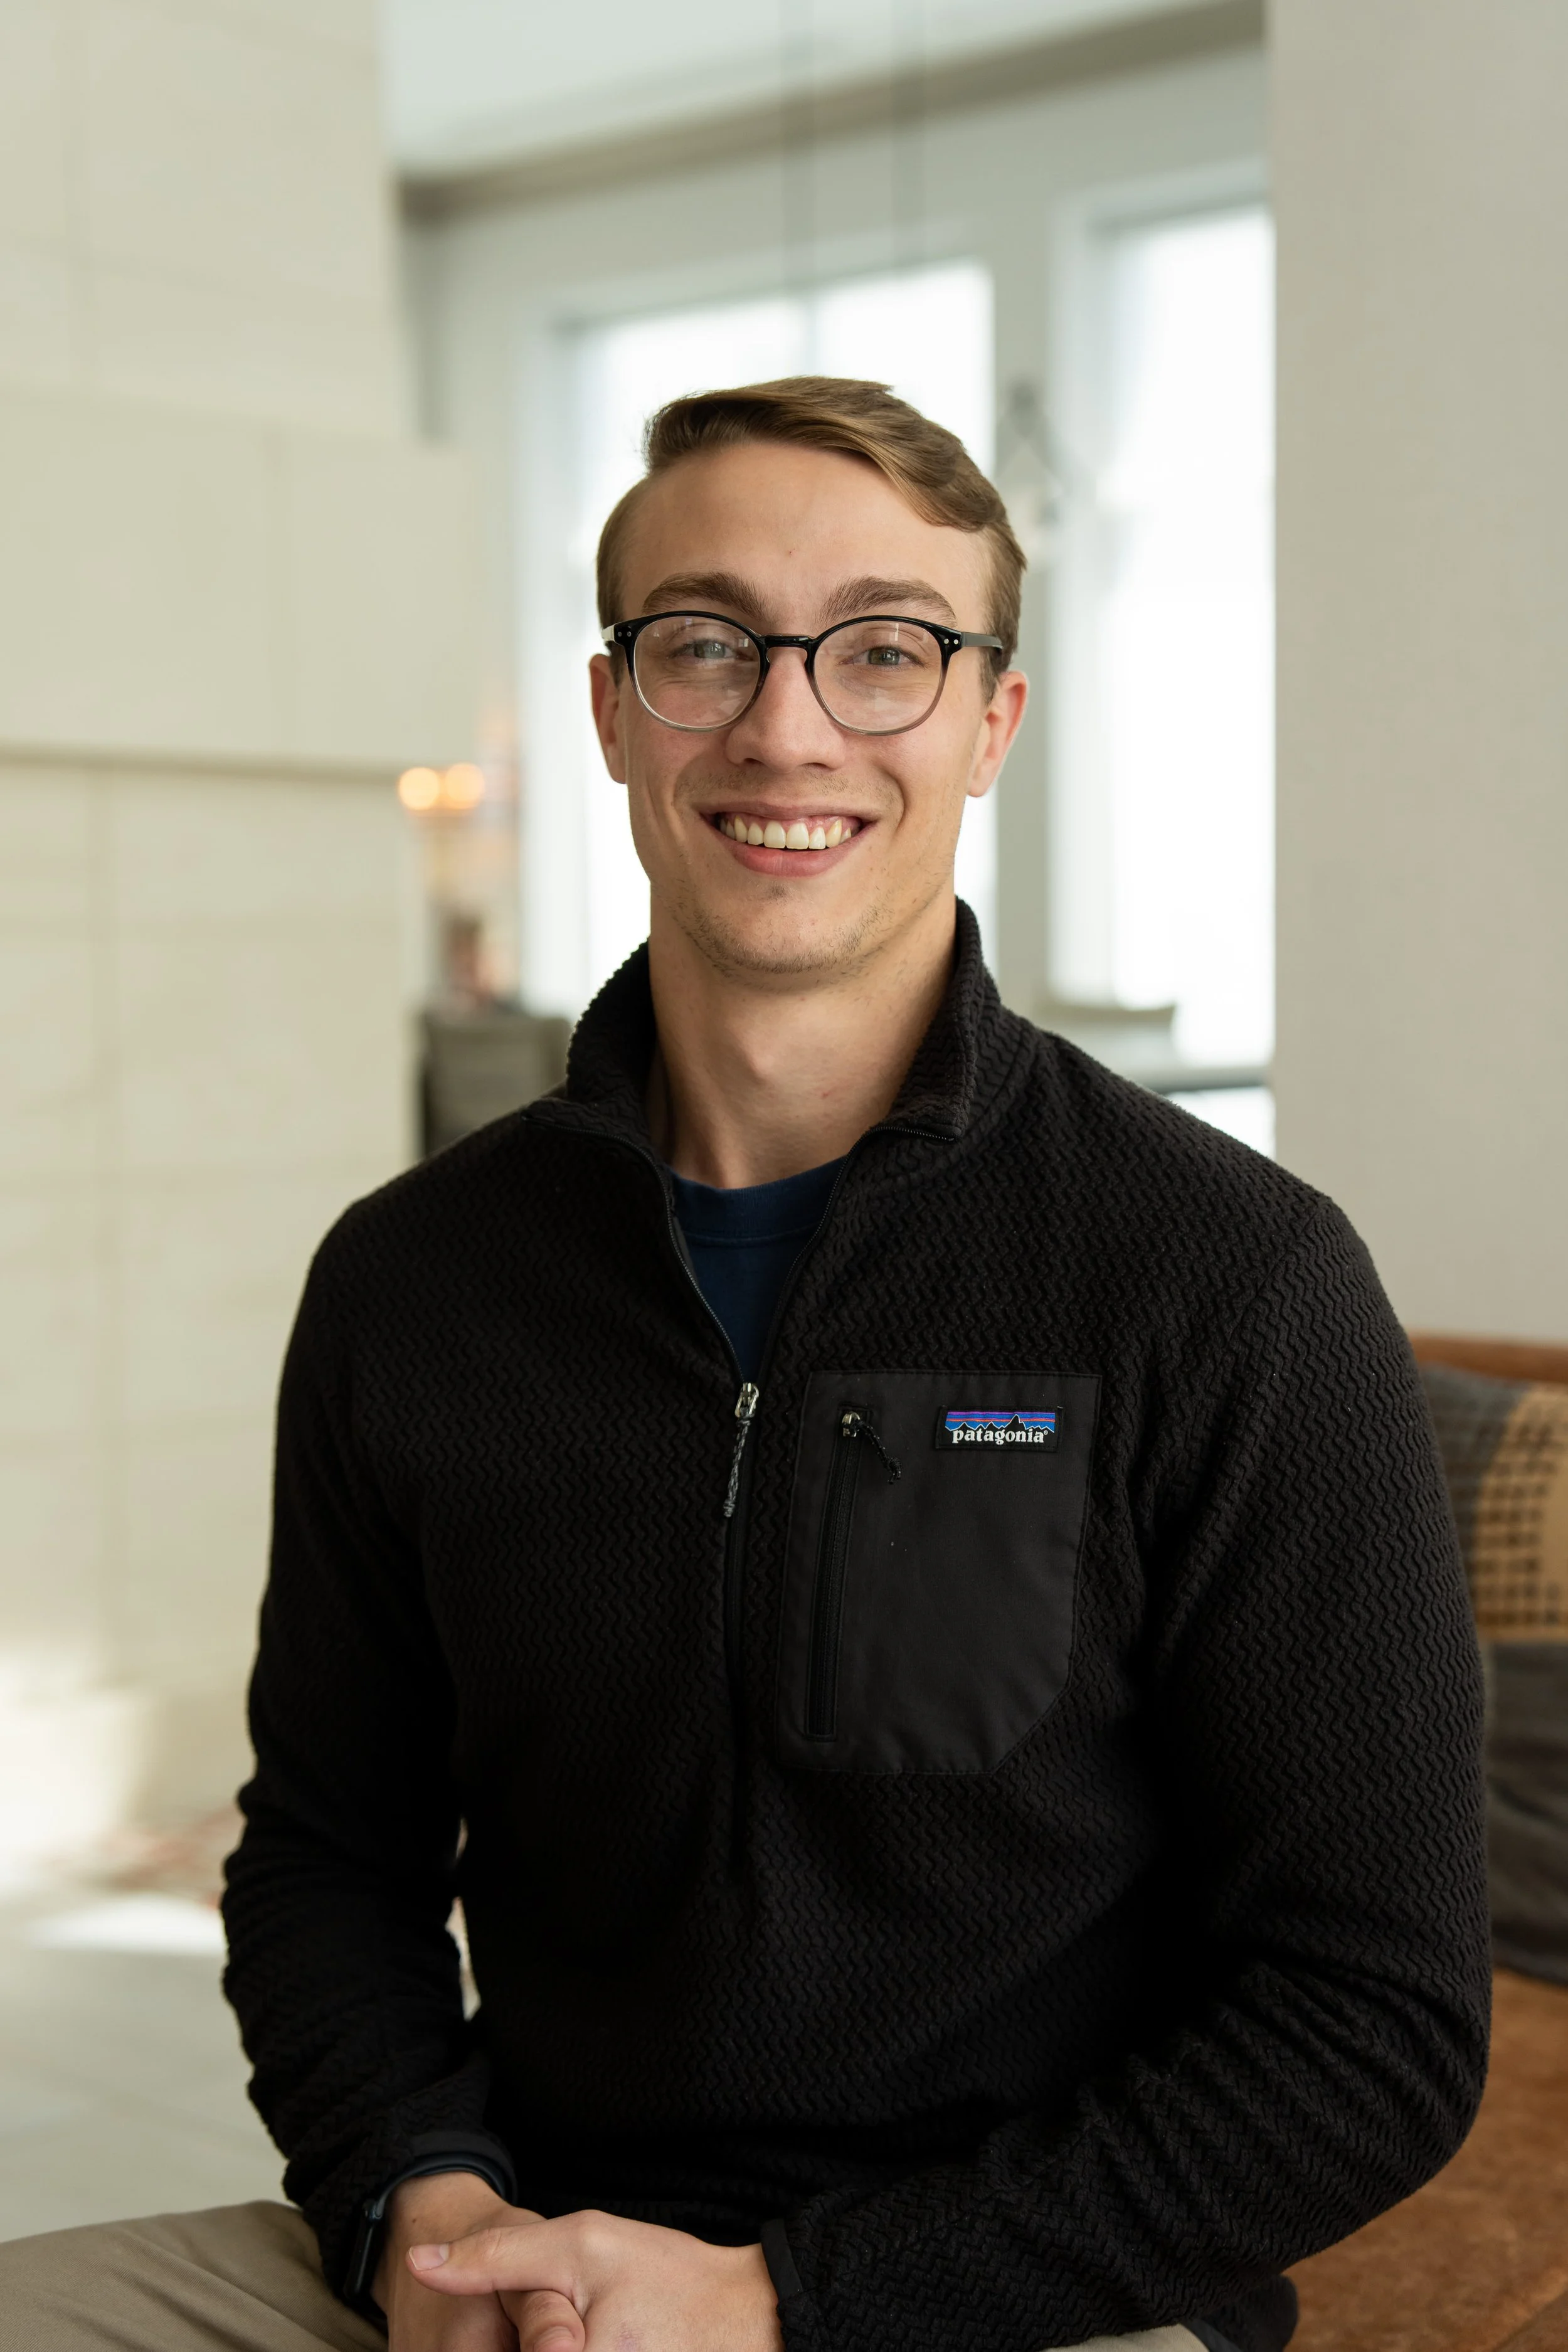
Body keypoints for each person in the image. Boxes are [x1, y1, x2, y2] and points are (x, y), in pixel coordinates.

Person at [0, 377, 1490, 2352]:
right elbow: (330, 1860)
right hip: (521, 2256)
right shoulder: (412, 1280)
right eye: (705, 644)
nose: (788, 724)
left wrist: (782, 2300)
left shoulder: (1231, 1281)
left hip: (1009, 2287)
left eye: (883, 651)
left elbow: (1373, 2020)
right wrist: (415, 2213)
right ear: (616, 709)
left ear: (989, 720)